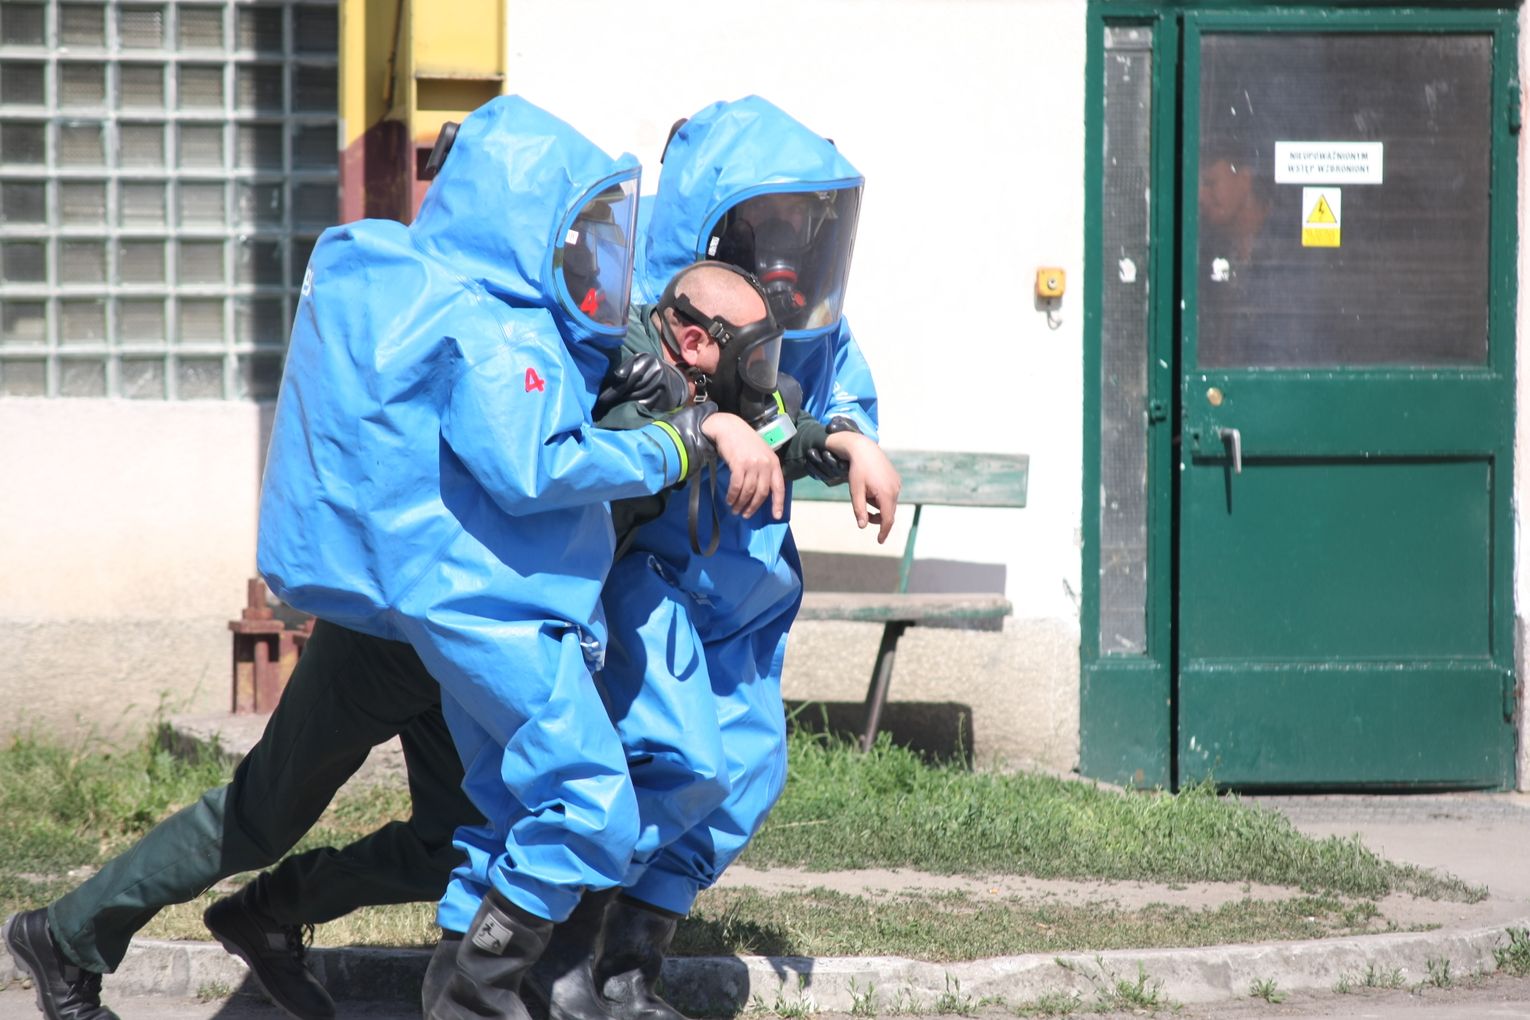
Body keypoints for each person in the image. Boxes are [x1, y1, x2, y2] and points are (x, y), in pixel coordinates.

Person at [2, 95, 775, 1020]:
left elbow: (724, 420)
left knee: (457, 839)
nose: (589, 267)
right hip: (400, 628)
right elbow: (537, 457)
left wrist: (748, 426)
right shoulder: (508, 328)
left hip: (479, 635)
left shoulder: (556, 329)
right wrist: (678, 432)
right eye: (576, 238)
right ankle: (65, 937)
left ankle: (269, 915)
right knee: (263, 813)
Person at [522, 97, 900, 1020]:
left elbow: (827, 396)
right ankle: (556, 952)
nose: (789, 251)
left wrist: (853, 442)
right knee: (674, 759)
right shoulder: (652, 305)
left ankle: (629, 970)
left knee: (745, 771)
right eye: (772, 223)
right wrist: (709, 421)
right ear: (715, 219)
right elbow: (604, 416)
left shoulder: (807, 320)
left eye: (807, 225)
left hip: (750, 590)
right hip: (654, 576)